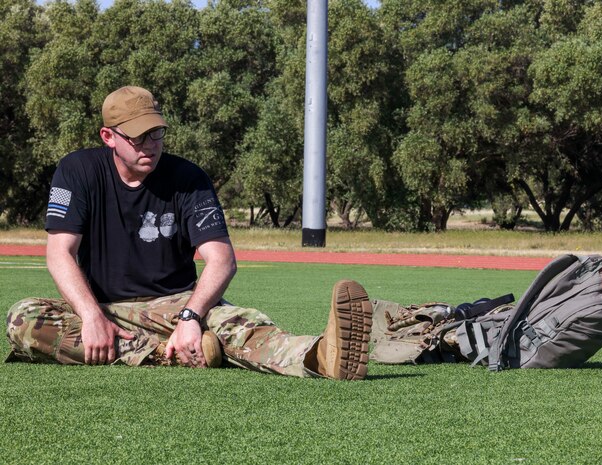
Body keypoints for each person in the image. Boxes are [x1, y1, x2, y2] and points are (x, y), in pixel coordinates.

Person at [4, 86, 373, 381]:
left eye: (157, 133)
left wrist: (191, 317)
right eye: (138, 136)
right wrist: (90, 316)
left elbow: (221, 260)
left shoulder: (188, 179)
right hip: (102, 305)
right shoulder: (77, 171)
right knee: (23, 318)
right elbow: (59, 253)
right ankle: (173, 354)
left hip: (175, 303)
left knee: (238, 323)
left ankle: (322, 356)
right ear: (108, 136)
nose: (150, 144)